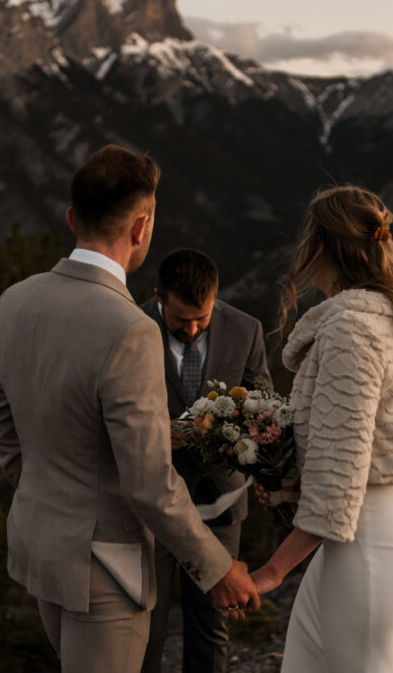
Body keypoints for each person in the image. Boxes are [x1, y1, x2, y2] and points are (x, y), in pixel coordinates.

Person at [0, 145, 260, 673]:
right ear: (142, 229)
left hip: (41, 548)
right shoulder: (130, 328)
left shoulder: (12, 301)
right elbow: (149, 482)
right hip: (106, 570)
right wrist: (217, 567)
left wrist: (52, 497)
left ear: (71, 219)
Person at [250, 185, 393, 673]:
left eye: (308, 243)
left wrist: (272, 572)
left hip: (366, 551)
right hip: (373, 540)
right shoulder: (386, 318)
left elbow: (339, 481)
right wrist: (291, 482)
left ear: (323, 248)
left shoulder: (351, 329)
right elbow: (358, 446)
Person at [139, 248, 272, 673]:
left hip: (221, 503)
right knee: (146, 629)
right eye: (180, 321)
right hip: (152, 505)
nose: (193, 329)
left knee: (211, 628)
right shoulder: (130, 327)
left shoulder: (246, 329)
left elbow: (263, 406)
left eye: (203, 317)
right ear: (158, 297)